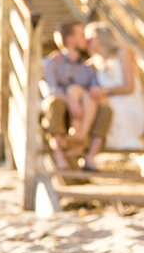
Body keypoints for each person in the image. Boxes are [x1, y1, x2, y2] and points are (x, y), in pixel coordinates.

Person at [41, 21, 112, 171]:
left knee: (105, 108)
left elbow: (93, 87)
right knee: (56, 103)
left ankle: (88, 155)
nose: (85, 38)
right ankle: (59, 155)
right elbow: (51, 90)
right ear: (70, 40)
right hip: (60, 104)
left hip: (81, 112)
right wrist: (71, 102)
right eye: (81, 35)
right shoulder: (53, 63)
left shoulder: (87, 68)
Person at [85, 22, 144, 151]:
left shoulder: (123, 52)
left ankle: (87, 144)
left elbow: (130, 87)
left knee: (97, 102)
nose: (87, 40)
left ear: (101, 36)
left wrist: (104, 91)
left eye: (90, 37)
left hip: (128, 102)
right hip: (108, 101)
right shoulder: (94, 62)